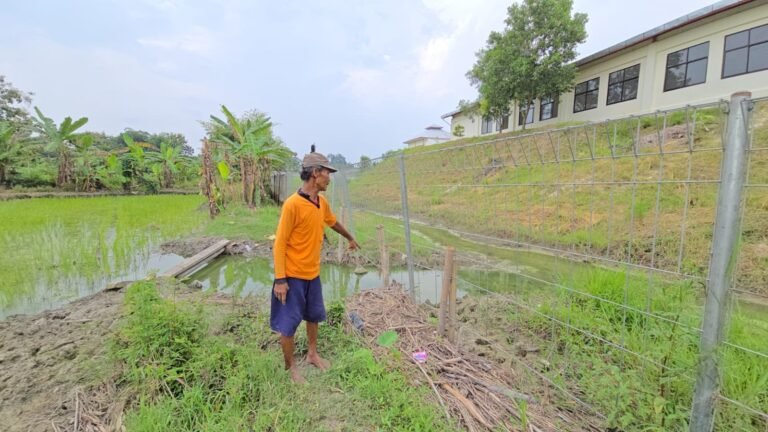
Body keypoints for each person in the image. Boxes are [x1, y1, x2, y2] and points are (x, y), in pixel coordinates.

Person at [271, 146, 359, 383]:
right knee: (288, 326)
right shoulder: (292, 205)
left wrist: (350, 237)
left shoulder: (321, 202)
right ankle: (290, 370)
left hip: (313, 274)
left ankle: (312, 355)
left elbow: (332, 222)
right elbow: (279, 244)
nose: (329, 178)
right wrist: (280, 279)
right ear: (315, 173)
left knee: (313, 316)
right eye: (327, 173)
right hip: (291, 277)